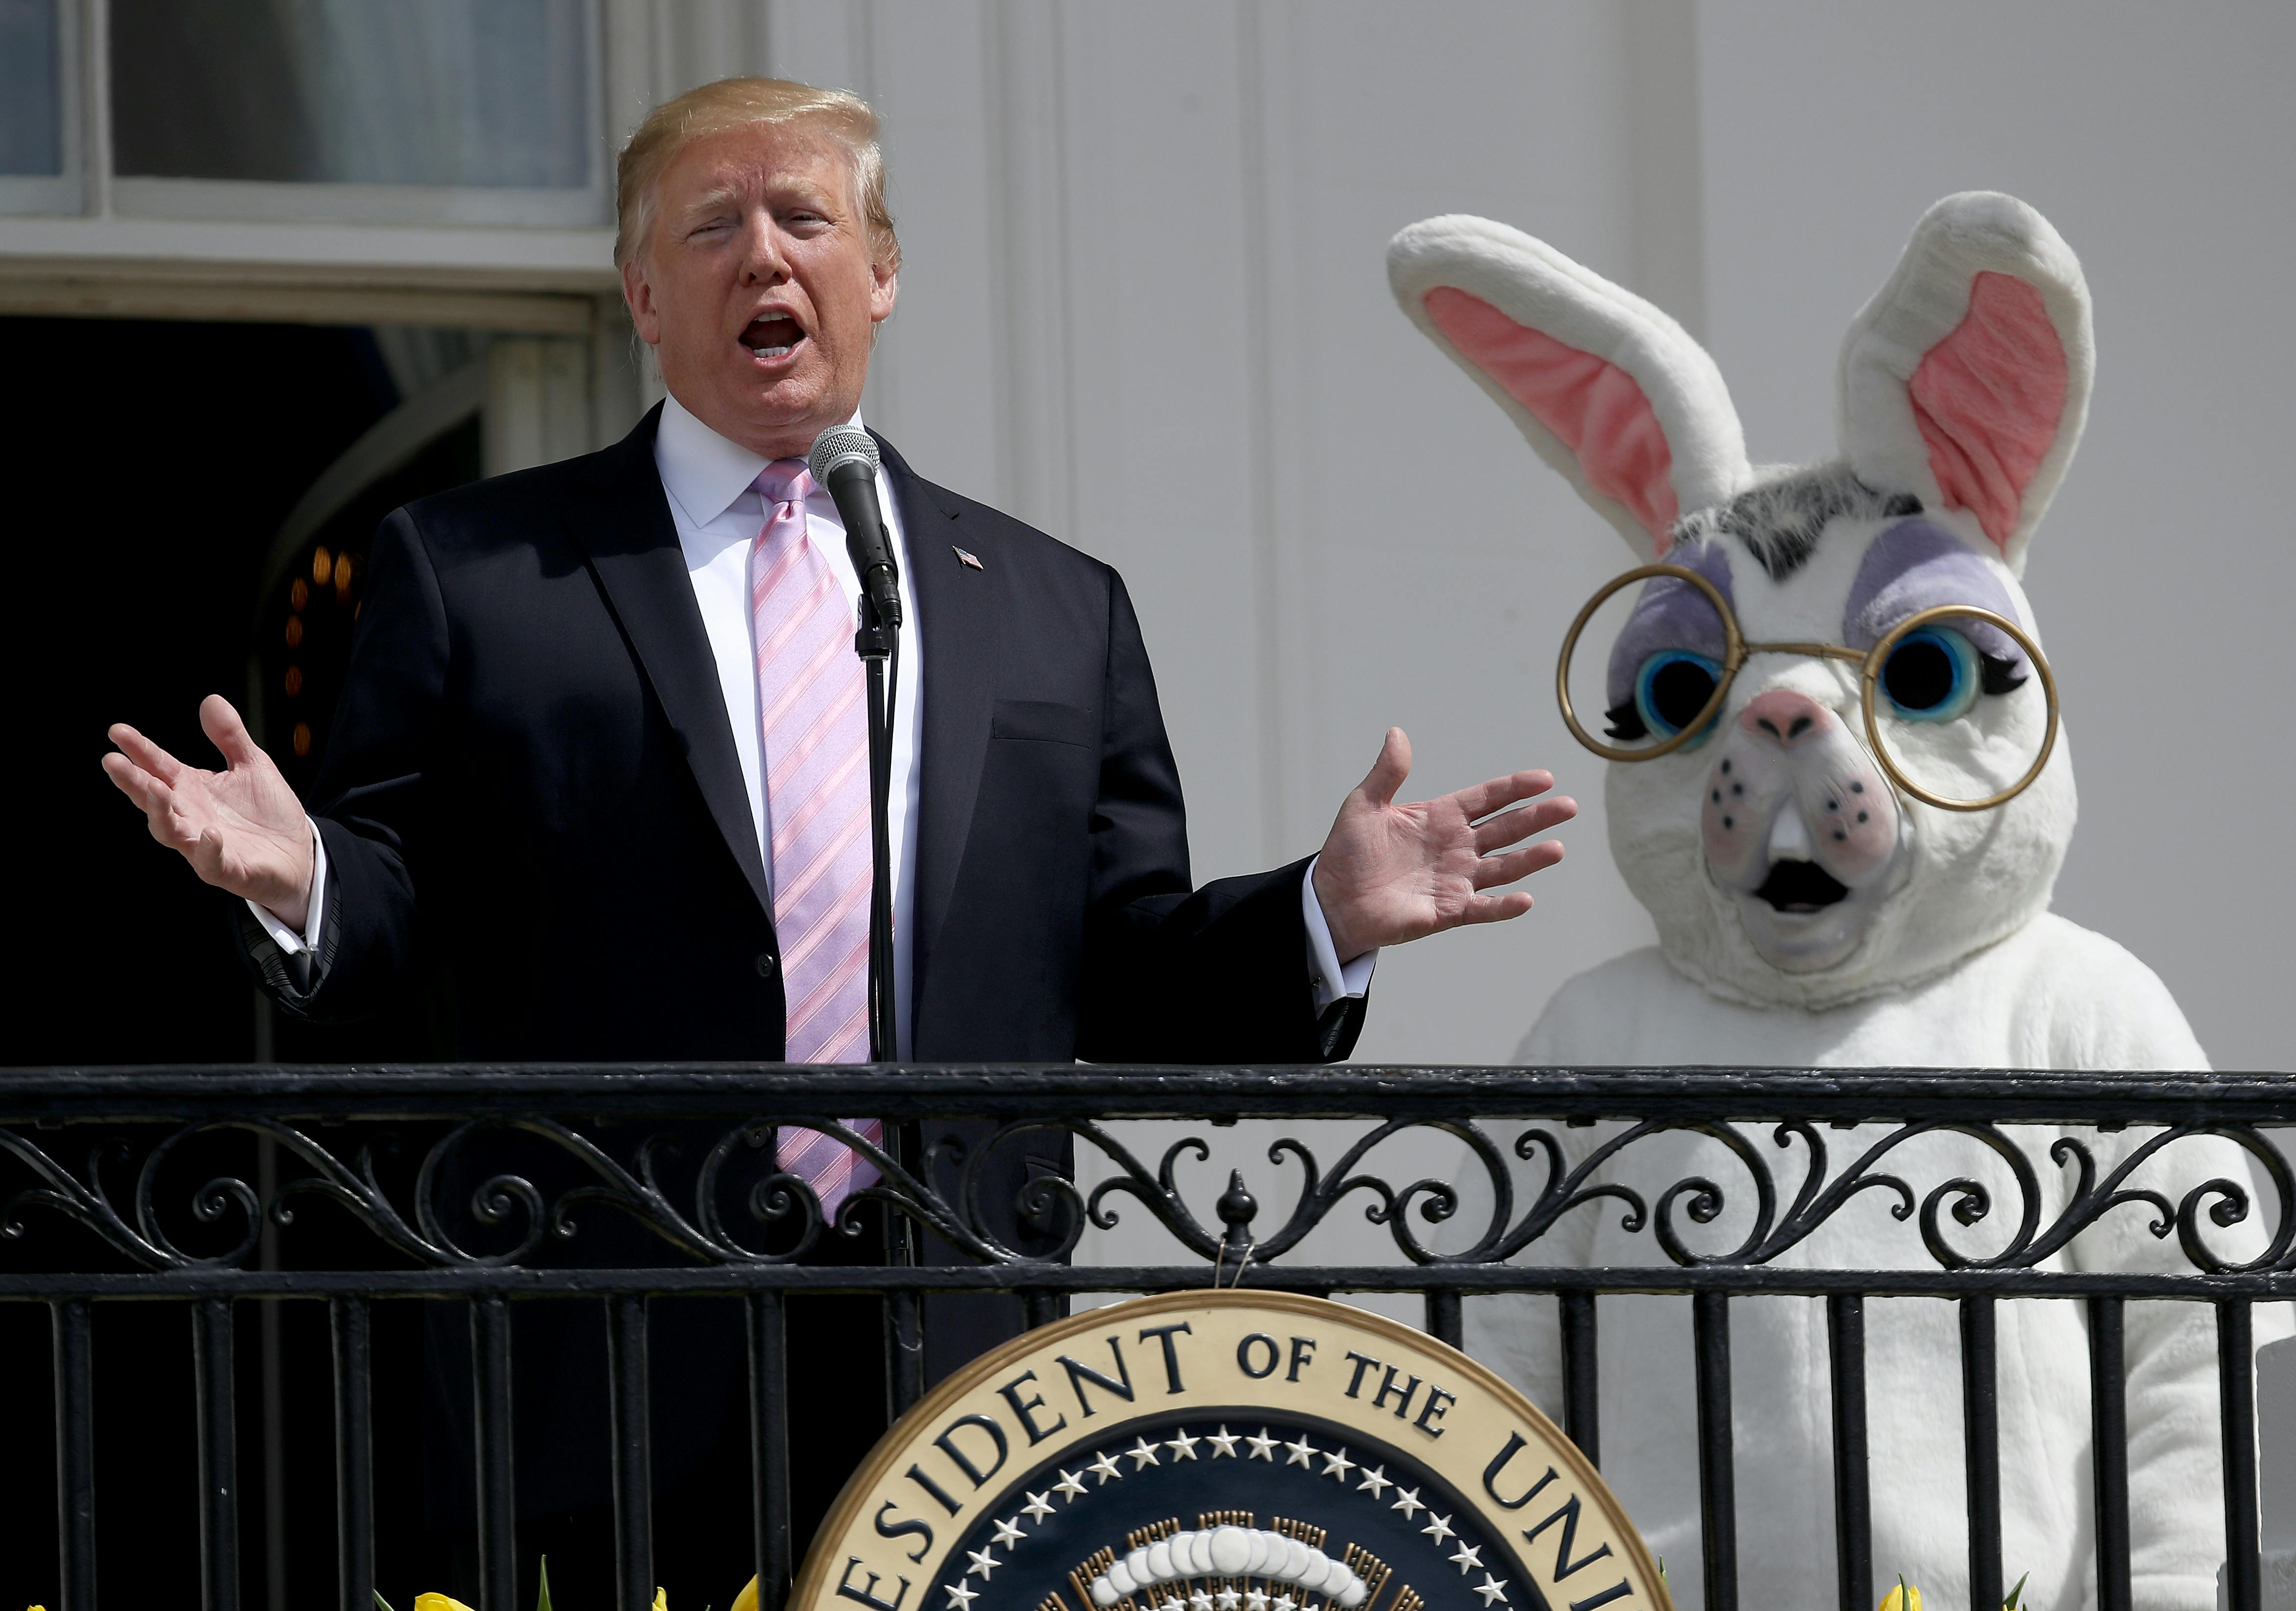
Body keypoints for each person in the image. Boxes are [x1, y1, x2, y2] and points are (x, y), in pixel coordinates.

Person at [101, 77, 1575, 1600]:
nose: (764, 256)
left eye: (805, 217)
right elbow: (390, 930)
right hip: (601, 1345)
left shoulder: (1054, 606)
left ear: (881, 272)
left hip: (952, 1364)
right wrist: (310, 880)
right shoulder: (477, 572)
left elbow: (1124, 970)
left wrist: (1316, 918)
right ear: (641, 293)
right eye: (711, 225)